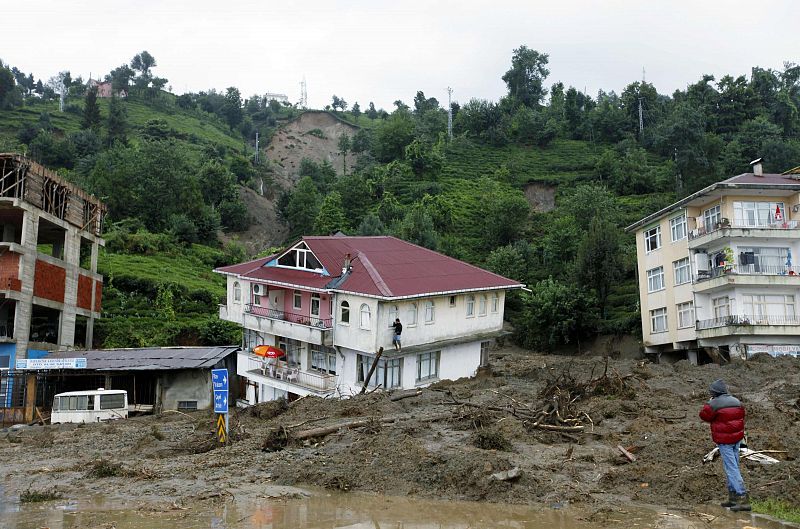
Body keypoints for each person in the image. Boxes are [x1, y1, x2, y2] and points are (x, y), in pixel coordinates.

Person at [699, 379, 750, 511]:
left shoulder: (713, 404)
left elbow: (704, 416)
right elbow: (742, 416)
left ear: (714, 392)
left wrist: (709, 402)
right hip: (737, 438)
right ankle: (733, 499)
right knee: (734, 467)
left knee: (731, 469)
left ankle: (743, 499)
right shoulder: (737, 401)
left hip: (725, 441)